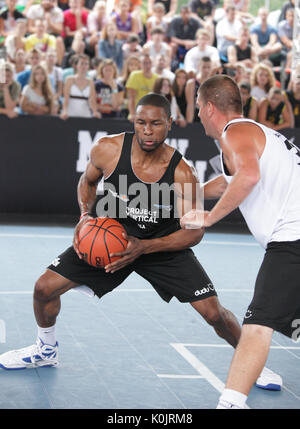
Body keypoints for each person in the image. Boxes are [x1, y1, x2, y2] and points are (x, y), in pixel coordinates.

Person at [0, 92, 282, 398]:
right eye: (141, 122)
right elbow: (88, 181)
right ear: (133, 121)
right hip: (111, 236)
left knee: (213, 313)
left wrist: (145, 247)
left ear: (170, 124)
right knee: (44, 288)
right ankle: (45, 348)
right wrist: (84, 216)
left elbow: (194, 233)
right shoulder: (107, 148)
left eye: (156, 124)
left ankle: (251, 363)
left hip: (162, 245)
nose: (147, 130)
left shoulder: (182, 171)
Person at [180, 74, 300, 408]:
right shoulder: (252, 133)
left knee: (257, 325)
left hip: (293, 238)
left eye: (198, 108)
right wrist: (188, 196)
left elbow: (248, 177)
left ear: (208, 107)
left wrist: (208, 217)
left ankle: (230, 403)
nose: (198, 115)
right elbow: (229, 181)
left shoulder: (235, 132)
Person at [60, 53, 99, 119]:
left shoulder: (90, 82)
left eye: (86, 64)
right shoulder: (69, 79)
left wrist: (95, 111)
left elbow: (92, 99)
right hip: (70, 113)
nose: (84, 66)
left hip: (85, 114)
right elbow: (66, 98)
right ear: (76, 65)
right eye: (82, 63)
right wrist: (64, 111)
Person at [125, 53, 158, 121]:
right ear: (140, 64)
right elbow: (131, 97)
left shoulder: (157, 78)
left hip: (152, 115)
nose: (147, 65)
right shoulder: (134, 75)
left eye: (149, 63)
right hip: (137, 114)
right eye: (145, 63)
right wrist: (132, 114)